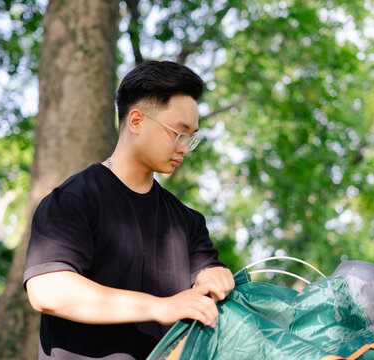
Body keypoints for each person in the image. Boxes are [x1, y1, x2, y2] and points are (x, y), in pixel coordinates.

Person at [24, 60, 235, 360]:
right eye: (179, 133)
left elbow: (207, 274)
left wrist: (216, 277)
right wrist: (158, 306)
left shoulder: (187, 222)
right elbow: (48, 290)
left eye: (192, 137)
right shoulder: (72, 200)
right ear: (136, 121)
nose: (185, 148)